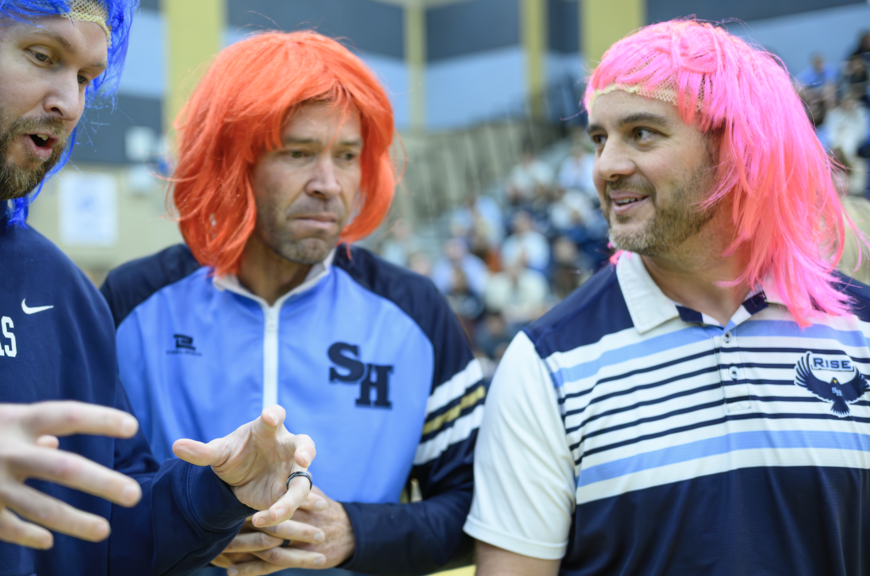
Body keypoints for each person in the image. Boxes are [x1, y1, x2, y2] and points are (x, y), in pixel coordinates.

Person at [0, 1, 317, 573]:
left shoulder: (64, 295)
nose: (68, 104)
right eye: (43, 56)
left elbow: (101, 533)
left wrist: (219, 491)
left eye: (86, 78)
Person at [466, 20, 870, 575]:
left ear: (735, 147)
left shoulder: (860, 331)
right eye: (599, 139)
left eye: (642, 133)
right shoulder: (547, 364)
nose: (606, 166)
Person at [101, 31, 484, 576]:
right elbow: (87, 496)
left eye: (347, 156)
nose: (329, 184)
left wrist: (355, 532)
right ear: (234, 162)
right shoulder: (132, 301)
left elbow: (479, 511)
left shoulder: (414, 311)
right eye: (299, 153)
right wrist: (190, 525)